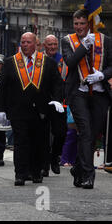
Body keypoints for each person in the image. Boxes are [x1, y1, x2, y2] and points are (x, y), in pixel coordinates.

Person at [0, 32, 64, 186]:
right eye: (23, 42)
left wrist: (57, 101)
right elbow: (3, 88)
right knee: (20, 142)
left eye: (28, 42)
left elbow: (57, 84)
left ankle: (36, 171)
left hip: (41, 111)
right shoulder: (11, 62)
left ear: (36, 44)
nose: (25, 45)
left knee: (38, 142)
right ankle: (20, 173)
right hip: (18, 110)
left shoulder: (48, 63)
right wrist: (0, 109)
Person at [61, 9, 112, 189]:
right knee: (86, 132)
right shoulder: (67, 41)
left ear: (89, 24)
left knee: (91, 135)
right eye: (76, 24)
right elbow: (71, 62)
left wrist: (101, 76)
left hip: (99, 93)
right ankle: (89, 176)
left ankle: (78, 167)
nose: (79, 27)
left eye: (82, 23)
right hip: (78, 93)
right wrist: (84, 46)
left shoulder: (105, 40)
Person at [42, 34, 68, 177]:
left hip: (59, 102)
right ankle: (44, 165)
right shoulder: (39, 59)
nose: (52, 47)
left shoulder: (63, 60)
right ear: (44, 45)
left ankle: (54, 157)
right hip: (43, 102)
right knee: (43, 135)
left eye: (54, 44)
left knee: (61, 132)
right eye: (49, 44)